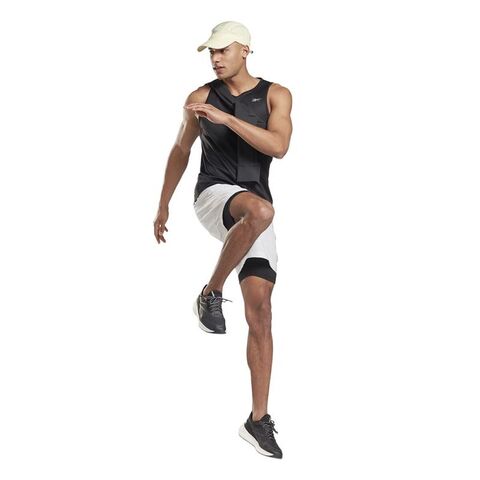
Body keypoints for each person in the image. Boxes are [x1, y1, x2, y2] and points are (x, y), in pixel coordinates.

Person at [153, 20, 292, 459]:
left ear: (245, 51)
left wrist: (227, 119)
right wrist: (163, 205)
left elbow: (279, 146)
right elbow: (181, 149)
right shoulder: (199, 98)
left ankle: (257, 420)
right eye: (210, 52)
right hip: (214, 196)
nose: (215, 59)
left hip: (254, 205)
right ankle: (211, 291)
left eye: (222, 50)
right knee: (261, 211)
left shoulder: (276, 94)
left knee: (261, 310)